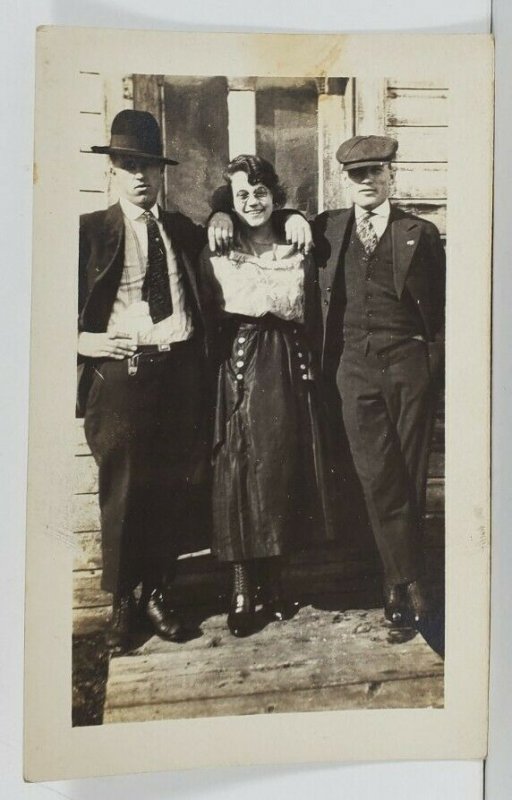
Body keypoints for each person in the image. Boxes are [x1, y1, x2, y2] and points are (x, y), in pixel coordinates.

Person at [78, 111, 312, 652]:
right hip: (123, 374)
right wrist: (82, 341)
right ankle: (121, 607)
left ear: (162, 174)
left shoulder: (182, 228)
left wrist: (287, 210)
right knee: (122, 495)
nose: (139, 176)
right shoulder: (90, 231)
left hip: (180, 376)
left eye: (148, 167)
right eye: (127, 165)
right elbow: (32, 306)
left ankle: (158, 595)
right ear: (112, 171)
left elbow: (244, 216)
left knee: (167, 491)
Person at [200, 155, 338, 637]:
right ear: (229, 201)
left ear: (275, 197)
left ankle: (275, 581)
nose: (252, 202)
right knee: (238, 470)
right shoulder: (219, 241)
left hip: (287, 362)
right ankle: (241, 585)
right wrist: (217, 214)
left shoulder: (296, 240)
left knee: (280, 469)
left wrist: (295, 216)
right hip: (240, 361)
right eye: (241, 196)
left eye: (260, 193)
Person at [312, 135, 445, 630]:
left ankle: (398, 582)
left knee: (409, 472)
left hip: (409, 365)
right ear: (345, 179)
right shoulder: (328, 229)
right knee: (377, 473)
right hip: (354, 366)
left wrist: (430, 366)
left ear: (392, 174)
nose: (366, 182)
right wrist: (221, 211)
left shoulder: (420, 233)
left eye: (375, 172)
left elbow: (440, 310)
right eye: (356, 174)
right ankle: (406, 577)